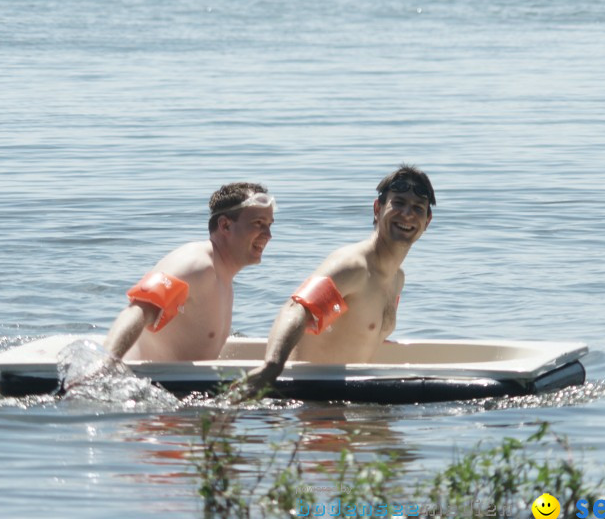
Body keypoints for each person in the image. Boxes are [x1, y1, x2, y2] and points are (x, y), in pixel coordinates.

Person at [240, 165, 435, 396]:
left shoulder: (396, 279)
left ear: (427, 221)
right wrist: (271, 367)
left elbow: (356, 329)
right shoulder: (353, 267)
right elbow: (297, 308)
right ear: (377, 209)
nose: (407, 214)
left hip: (352, 400)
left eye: (417, 208)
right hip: (310, 400)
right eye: (398, 203)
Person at [103, 182, 275, 363]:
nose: (268, 234)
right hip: (151, 382)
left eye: (269, 224)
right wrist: (106, 364)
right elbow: (138, 310)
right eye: (258, 223)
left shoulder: (222, 274)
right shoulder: (196, 265)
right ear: (225, 225)